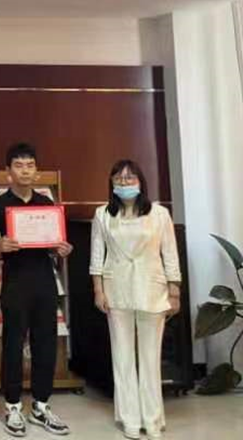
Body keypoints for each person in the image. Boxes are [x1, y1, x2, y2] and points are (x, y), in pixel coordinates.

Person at [90, 160, 181, 440]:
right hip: (116, 289)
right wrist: (98, 290)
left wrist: (174, 291)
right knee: (122, 356)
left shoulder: (159, 214)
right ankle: (129, 417)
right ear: (111, 183)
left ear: (141, 181)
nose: (125, 183)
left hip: (152, 288)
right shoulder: (103, 214)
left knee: (150, 357)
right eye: (119, 178)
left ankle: (152, 419)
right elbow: (97, 256)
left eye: (130, 178)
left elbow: (170, 254)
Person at [0, 143, 72, 437]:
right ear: (8, 171)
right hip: (15, 283)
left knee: (45, 343)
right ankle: (12, 405)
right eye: (19, 165)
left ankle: (41, 405)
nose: (25, 170)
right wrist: (0, 245)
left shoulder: (46, 204)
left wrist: (62, 249)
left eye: (30, 165)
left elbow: (55, 245)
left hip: (44, 281)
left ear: (36, 171)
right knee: (12, 344)